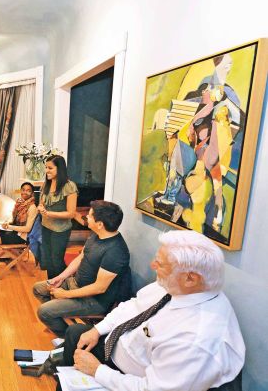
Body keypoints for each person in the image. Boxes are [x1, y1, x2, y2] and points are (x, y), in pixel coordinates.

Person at [64, 230, 245, 391]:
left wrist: (98, 371)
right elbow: (133, 306)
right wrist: (98, 329)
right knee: (75, 334)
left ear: (190, 278)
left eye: (161, 263)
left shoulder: (195, 340)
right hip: (118, 348)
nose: (152, 266)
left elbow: (152, 388)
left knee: (65, 383)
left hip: (130, 378)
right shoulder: (174, 286)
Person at [31, 201, 130, 336]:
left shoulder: (115, 251)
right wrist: (61, 278)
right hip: (75, 284)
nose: (86, 217)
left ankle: (72, 336)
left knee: (44, 311)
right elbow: (80, 258)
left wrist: (64, 295)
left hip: (93, 300)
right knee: (39, 289)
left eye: (89, 216)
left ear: (100, 224)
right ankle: (60, 317)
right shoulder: (96, 235)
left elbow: (99, 288)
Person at [0, 182, 38, 275]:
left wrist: (10, 226)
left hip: (21, 237)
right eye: (23, 190)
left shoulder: (32, 207)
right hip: (15, 232)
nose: (25, 192)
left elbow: (27, 229)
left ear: (32, 193)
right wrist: (7, 224)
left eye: (28, 191)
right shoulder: (20, 203)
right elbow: (16, 222)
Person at [38, 155, 78, 279]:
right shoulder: (46, 185)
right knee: (48, 260)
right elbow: (42, 204)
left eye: (50, 168)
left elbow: (71, 213)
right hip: (46, 226)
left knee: (57, 261)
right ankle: (51, 286)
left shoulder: (69, 186)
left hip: (61, 230)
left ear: (59, 169)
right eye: (46, 167)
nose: (47, 171)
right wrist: (40, 207)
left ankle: (64, 285)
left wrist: (49, 213)